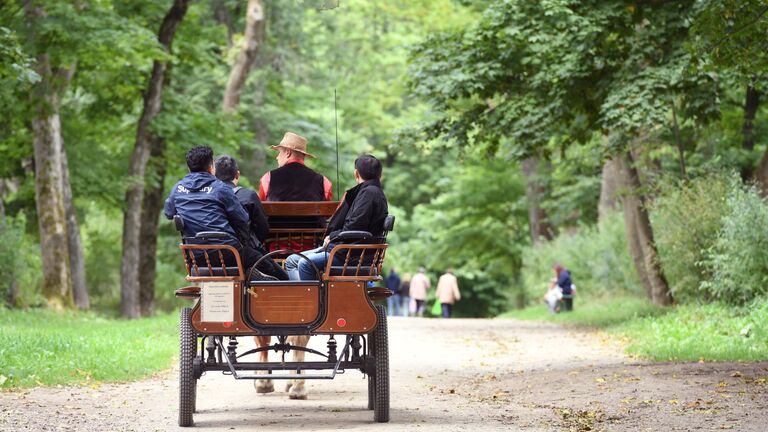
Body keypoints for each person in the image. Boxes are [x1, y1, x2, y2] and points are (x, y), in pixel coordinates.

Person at [164, 146, 286, 278]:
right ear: (211, 167)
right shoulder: (220, 188)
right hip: (228, 253)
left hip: (196, 257)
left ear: (189, 168)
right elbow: (243, 219)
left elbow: (169, 213)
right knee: (269, 266)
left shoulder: (178, 189)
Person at [284, 155, 388, 281]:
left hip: (350, 254)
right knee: (291, 260)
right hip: (350, 250)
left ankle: (311, 300)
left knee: (304, 263)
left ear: (356, 174)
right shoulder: (373, 192)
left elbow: (355, 226)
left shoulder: (369, 193)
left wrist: (333, 235)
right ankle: (308, 296)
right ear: (380, 175)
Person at [214, 155, 287, 280]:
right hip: (245, 253)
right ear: (237, 175)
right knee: (282, 276)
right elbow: (263, 228)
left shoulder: (208, 197)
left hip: (213, 254)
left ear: (214, 175)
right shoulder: (248, 196)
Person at [259, 132, 333, 202]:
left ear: (288, 152)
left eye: (279, 152)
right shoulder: (324, 182)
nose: (277, 157)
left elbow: (261, 210)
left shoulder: (268, 178)